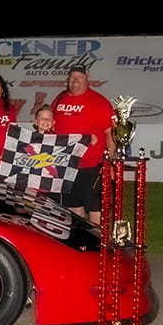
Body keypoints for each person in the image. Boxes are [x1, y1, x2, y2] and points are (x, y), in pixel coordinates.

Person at [51, 65, 116, 225]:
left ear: (87, 78)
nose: (75, 81)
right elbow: (50, 127)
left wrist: (108, 159)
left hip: (91, 166)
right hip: (66, 165)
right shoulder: (60, 99)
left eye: (80, 77)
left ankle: (99, 246)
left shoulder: (99, 102)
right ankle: (82, 246)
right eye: (72, 76)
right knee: (73, 208)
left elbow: (111, 133)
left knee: (95, 209)